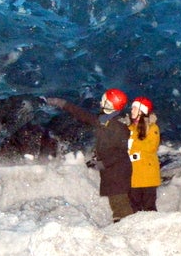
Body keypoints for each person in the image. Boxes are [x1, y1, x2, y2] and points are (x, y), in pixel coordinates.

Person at [45, 88, 134, 222]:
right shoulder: (105, 120)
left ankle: (127, 228)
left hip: (118, 172)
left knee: (120, 203)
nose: (100, 101)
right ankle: (122, 225)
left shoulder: (118, 127)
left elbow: (120, 154)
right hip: (113, 171)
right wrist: (62, 103)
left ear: (110, 105)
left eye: (104, 100)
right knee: (116, 202)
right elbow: (84, 116)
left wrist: (101, 164)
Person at [127, 96, 161, 213]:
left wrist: (133, 147)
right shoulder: (130, 128)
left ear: (142, 111)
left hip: (147, 176)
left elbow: (151, 147)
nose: (131, 111)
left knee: (149, 208)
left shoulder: (152, 128)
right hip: (133, 176)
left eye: (134, 108)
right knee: (133, 208)